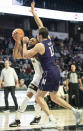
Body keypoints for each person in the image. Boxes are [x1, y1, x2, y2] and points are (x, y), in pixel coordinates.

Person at [10, 2, 82, 127]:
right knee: (53, 97)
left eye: (34, 37)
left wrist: (24, 42)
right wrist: (33, 13)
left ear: (38, 37)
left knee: (37, 98)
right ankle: (75, 110)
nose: (32, 38)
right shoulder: (47, 39)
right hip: (54, 71)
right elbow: (40, 25)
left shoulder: (38, 47)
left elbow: (25, 54)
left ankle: (50, 120)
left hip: (46, 74)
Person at [9, 37, 43, 127]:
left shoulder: (37, 51)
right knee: (28, 97)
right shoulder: (30, 51)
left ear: (37, 43)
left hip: (44, 79)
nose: (30, 41)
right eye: (30, 39)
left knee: (37, 100)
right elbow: (15, 56)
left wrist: (22, 43)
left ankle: (38, 116)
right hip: (37, 78)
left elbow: (25, 54)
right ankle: (18, 119)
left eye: (32, 40)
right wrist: (17, 42)